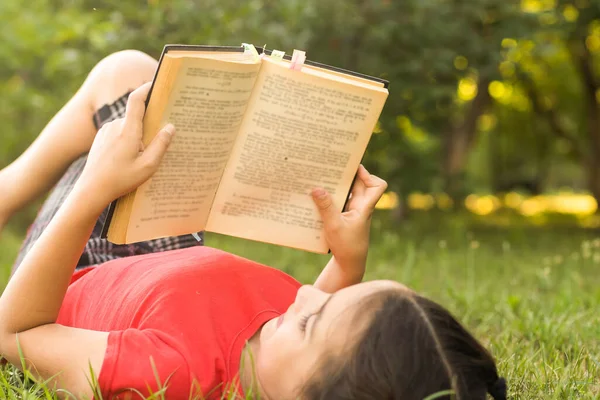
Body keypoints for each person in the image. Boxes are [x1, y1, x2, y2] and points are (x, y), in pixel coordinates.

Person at [0, 51, 507, 400]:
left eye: (314, 321)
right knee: (133, 74)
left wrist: (93, 191)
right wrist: (347, 261)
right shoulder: (280, 346)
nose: (306, 296)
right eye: (331, 297)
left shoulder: (171, 375)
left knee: (123, 87)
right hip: (157, 257)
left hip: (70, 272)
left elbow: (15, 331)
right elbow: (309, 325)